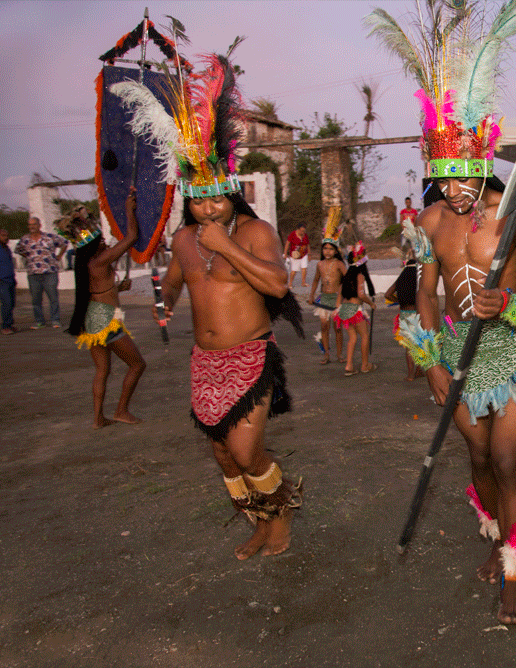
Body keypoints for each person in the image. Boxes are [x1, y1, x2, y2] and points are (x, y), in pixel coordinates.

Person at [370, 0, 516, 625]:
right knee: (477, 462)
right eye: (443, 176)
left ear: (483, 161)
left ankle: (514, 574)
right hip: (454, 352)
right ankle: (500, 540)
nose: (454, 188)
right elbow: (422, 295)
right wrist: (429, 363)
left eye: (464, 174)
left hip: (509, 352)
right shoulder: (428, 223)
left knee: (508, 462)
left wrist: (514, 301)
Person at [114, 46, 304, 560]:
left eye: (217, 198)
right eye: (198, 201)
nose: (208, 208)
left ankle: (282, 515)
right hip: (205, 362)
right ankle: (260, 524)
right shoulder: (183, 241)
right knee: (223, 454)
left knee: (247, 449)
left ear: (233, 193)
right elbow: (175, 280)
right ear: (189, 201)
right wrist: (166, 301)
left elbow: (278, 286)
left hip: (250, 356)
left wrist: (227, 247)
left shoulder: (254, 230)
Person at [65, 188, 146, 429]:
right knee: (138, 364)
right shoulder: (100, 260)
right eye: (100, 240)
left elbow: (99, 291)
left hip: (93, 317)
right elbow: (131, 238)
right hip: (105, 320)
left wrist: (119, 288)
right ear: (93, 246)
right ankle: (121, 411)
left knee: (102, 370)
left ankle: (98, 418)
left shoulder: (88, 264)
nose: (104, 242)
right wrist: (129, 211)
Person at [15, 216, 68, 328]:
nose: (31, 227)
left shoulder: (50, 237)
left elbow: (65, 243)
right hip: (33, 273)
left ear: (39, 225)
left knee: (53, 297)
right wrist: (30, 257)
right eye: (30, 225)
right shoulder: (25, 239)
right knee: (36, 299)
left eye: (34, 224)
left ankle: (55, 320)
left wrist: (59, 256)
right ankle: (39, 321)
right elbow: (18, 250)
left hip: (50, 272)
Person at [309, 220, 347, 365]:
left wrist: (343, 296)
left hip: (336, 298)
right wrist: (311, 295)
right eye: (325, 249)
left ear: (336, 250)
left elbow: (347, 279)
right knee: (324, 327)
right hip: (324, 298)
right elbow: (315, 280)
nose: (327, 251)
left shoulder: (339, 264)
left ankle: (339, 355)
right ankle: (326, 354)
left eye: (331, 249)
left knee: (337, 328)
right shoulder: (319, 264)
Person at [336, 259, 377, 375]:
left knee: (352, 338)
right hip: (355, 310)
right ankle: (365, 365)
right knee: (364, 335)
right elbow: (361, 294)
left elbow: (340, 294)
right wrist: (371, 303)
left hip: (344, 310)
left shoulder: (347, 276)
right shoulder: (359, 276)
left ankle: (349, 365)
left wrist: (337, 308)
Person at [385, 256, 422, 381]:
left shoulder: (401, 278)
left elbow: (387, 294)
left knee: (408, 346)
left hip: (404, 314)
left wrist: (398, 300)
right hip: (417, 314)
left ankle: (411, 374)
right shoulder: (418, 279)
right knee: (420, 344)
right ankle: (418, 370)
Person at [283, 221, 309, 290]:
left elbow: (307, 244)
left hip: (304, 254)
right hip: (295, 255)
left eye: (304, 231)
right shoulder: (292, 234)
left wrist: (309, 254)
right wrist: (285, 253)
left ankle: (303, 282)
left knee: (304, 268)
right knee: (294, 270)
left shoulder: (305, 235)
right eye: (302, 231)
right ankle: (290, 283)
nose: (303, 232)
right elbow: (287, 244)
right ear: (298, 229)